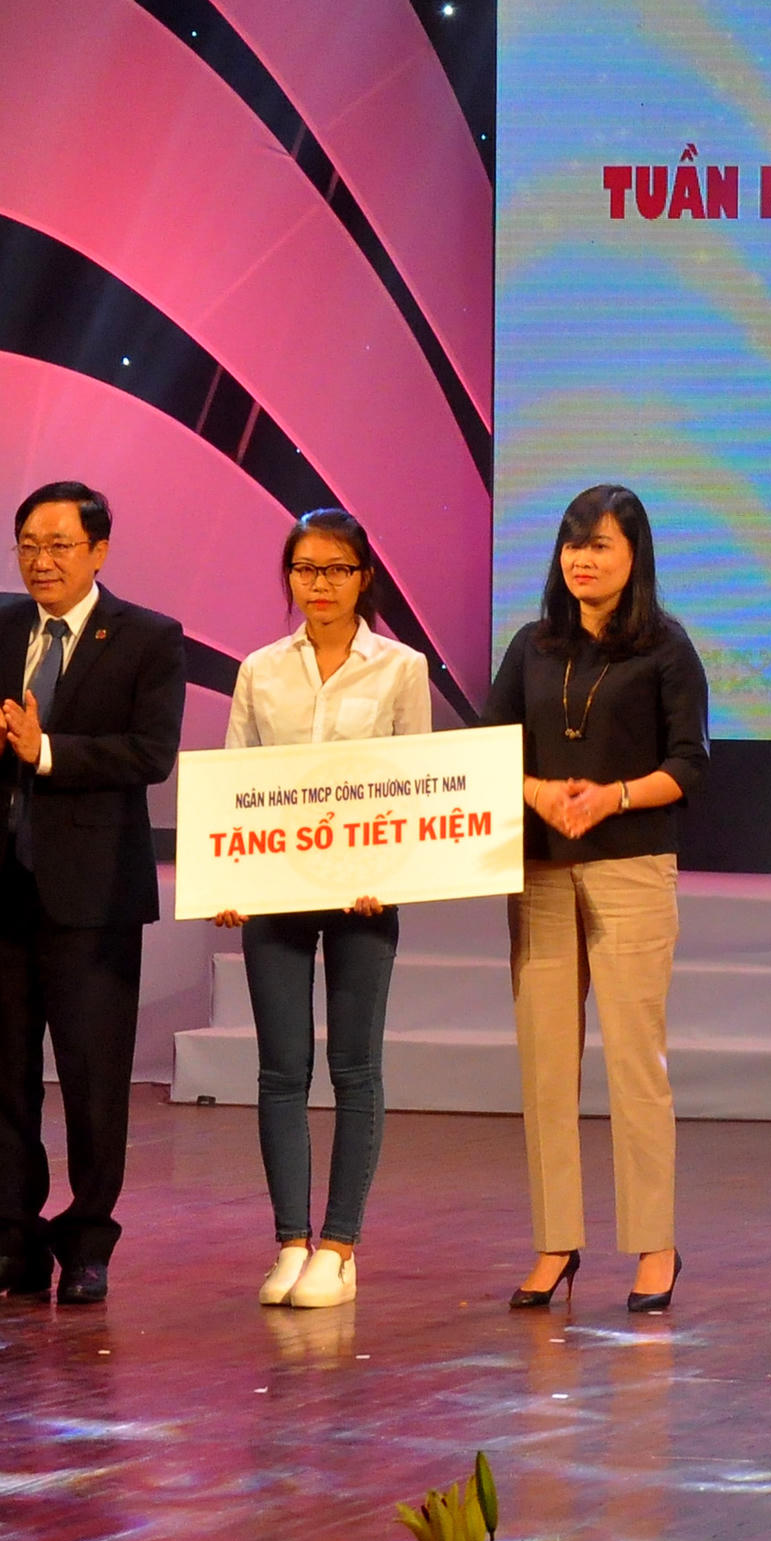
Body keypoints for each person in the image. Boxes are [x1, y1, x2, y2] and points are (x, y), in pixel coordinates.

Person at [0, 481, 188, 1306]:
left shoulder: (148, 637)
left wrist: (43, 750)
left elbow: (150, 754)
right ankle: (8, 1240)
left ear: (99, 551)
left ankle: (86, 1244)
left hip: (95, 896)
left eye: (59, 546)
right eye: (28, 546)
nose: (41, 562)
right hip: (1, 885)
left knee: (91, 1076)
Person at [488, 483, 707, 1316]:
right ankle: (555, 1241)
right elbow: (488, 746)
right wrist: (537, 793)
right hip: (541, 869)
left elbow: (689, 764)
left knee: (633, 1063)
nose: (583, 559)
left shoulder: (666, 648)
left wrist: (611, 797)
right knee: (546, 1063)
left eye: (601, 544)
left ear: (634, 555)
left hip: (632, 865)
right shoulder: (533, 645)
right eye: (573, 544)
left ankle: (655, 1245)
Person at [215, 509, 429, 1313]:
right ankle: (289, 1243)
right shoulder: (260, 669)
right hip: (276, 886)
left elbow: (414, 782)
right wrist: (228, 880)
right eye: (306, 569)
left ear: (363, 576)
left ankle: (339, 1247)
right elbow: (236, 782)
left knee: (354, 1069)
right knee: (280, 1069)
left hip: (363, 891)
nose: (321, 584)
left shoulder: (400, 667)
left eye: (337, 569)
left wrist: (387, 872)